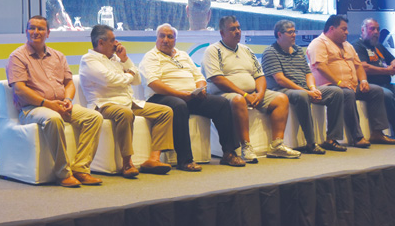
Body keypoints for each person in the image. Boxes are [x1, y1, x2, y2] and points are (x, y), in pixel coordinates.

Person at [6, 16, 103, 187]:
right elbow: (20, 90)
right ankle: (63, 173)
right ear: (26, 31)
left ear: (48, 33)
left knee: (94, 117)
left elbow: (69, 83)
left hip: (59, 104)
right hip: (32, 109)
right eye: (32, 28)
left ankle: (81, 168)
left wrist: (67, 100)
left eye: (40, 29)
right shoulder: (17, 57)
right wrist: (48, 104)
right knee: (54, 118)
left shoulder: (58, 56)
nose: (36, 32)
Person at [139, 23, 246, 170]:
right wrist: (180, 95)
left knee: (221, 103)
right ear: (156, 38)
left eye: (170, 37)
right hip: (161, 98)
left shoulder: (182, 55)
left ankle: (229, 153)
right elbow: (154, 83)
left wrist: (200, 89)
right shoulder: (151, 57)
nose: (165, 40)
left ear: (175, 40)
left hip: (189, 96)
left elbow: (198, 76)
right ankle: (185, 160)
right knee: (179, 105)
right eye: (162, 36)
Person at [79, 25, 174, 178]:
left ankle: (153, 159)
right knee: (125, 113)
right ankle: (127, 162)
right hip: (104, 104)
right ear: (101, 42)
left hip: (127, 101)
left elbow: (136, 80)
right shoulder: (89, 59)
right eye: (112, 40)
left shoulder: (116, 58)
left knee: (165, 111)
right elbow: (111, 80)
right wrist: (129, 74)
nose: (116, 43)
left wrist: (125, 59)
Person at [203, 16, 301, 161]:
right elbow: (218, 79)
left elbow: (259, 76)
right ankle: (246, 147)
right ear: (222, 33)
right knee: (239, 100)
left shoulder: (247, 50)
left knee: (281, 98)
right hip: (224, 94)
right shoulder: (213, 50)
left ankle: (277, 145)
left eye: (238, 28)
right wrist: (244, 95)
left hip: (252, 93)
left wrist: (260, 94)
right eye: (232, 29)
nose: (237, 31)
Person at [306, 15, 395, 147]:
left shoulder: (347, 45)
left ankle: (377, 133)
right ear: (331, 28)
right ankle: (357, 136)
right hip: (330, 87)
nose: (347, 32)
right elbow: (321, 66)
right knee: (347, 93)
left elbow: (358, 65)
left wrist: (364, 81)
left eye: (347, 29)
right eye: (343, 29)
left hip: (351, 85)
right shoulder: (318, 43)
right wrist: (339, 82)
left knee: (376, 91)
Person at [261, 20, 347, 153]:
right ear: (279, 34)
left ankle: (332, 139)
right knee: (302, 95)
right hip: (283, 90)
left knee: (336, 92)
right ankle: (311, 143)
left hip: (304, 88)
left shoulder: (298, 50)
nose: (294, 35)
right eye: (290, 32)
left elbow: (308, 73)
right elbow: (280, 80)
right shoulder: (270, 52)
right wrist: (306, 91)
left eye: (294, 31)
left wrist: (313, 88)